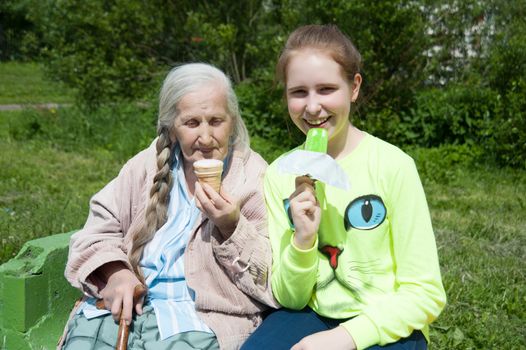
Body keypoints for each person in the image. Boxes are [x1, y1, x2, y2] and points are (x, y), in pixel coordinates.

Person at [241, 24, 446, 350]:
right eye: (298, 92)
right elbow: (289, 297)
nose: (311, 107)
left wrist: (345, 338)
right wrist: (303, 240)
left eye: (326, 89)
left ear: (354, 87)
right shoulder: (281, 173)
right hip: (312, 312)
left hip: (387, 319)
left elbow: (425, 293)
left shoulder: (393, 166)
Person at [59, 63, 278, 350]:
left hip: (200, 320)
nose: (206, 136)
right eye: (191, 123)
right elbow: (96, 232)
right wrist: (115, 273)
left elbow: (271, 281)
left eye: (216, 121)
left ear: (233, 122)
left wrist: (231, 226)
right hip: (128, 306)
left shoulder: (253, 178)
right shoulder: (147, 166)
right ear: (171, 128)